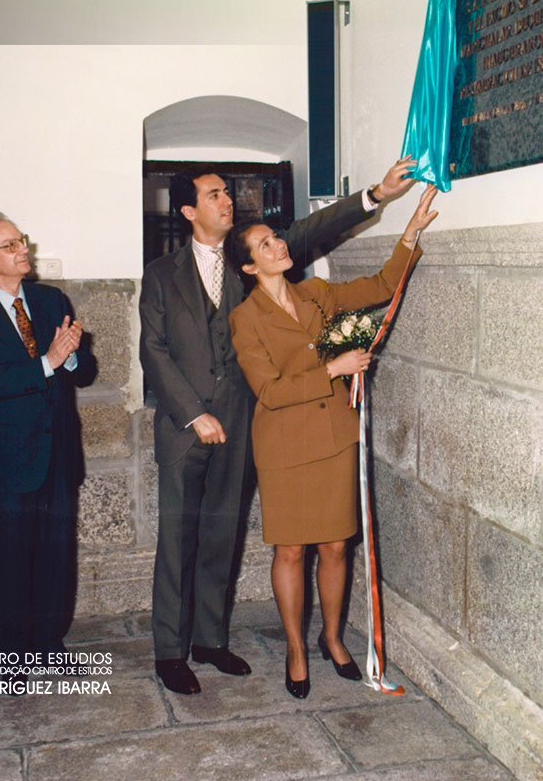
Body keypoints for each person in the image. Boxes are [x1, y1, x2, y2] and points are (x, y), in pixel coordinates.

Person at [139, 159, 418, 695]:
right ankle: (170, 652)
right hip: (186, 425)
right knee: (177, 540)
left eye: (227, 192)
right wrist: (194, 414)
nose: (227, 200)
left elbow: (312, 230)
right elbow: (154, 351)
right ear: (188, 211)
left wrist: (376, 195)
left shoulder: (248, 260)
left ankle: (210, 640)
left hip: (243, 423)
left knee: (222, 535)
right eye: (214, 194)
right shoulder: (161, 273)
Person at [227, 184, 438, 697]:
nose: (278, 244)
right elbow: (270, 391)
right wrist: (332, 369)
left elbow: (382, 286)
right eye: (264, 245)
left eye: (277, 237)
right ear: (250, 267)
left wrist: (409, 234)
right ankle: (296, 649)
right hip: (285, 447)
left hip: (334, 439)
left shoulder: (316, 294)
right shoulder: (245, 319)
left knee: (337, 546)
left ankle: (333, 637)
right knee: (292, 550)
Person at [0, 212, 96, 668]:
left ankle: (49, 644)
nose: (22, 250)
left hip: (58, 452)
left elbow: (84, 371)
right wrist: (48, 362)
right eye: (9, 245)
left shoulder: (51, 300)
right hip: (7, 456)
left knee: (56, 554)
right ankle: (12, 657)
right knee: (10, 560)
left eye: (21, 240)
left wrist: (70, 358)